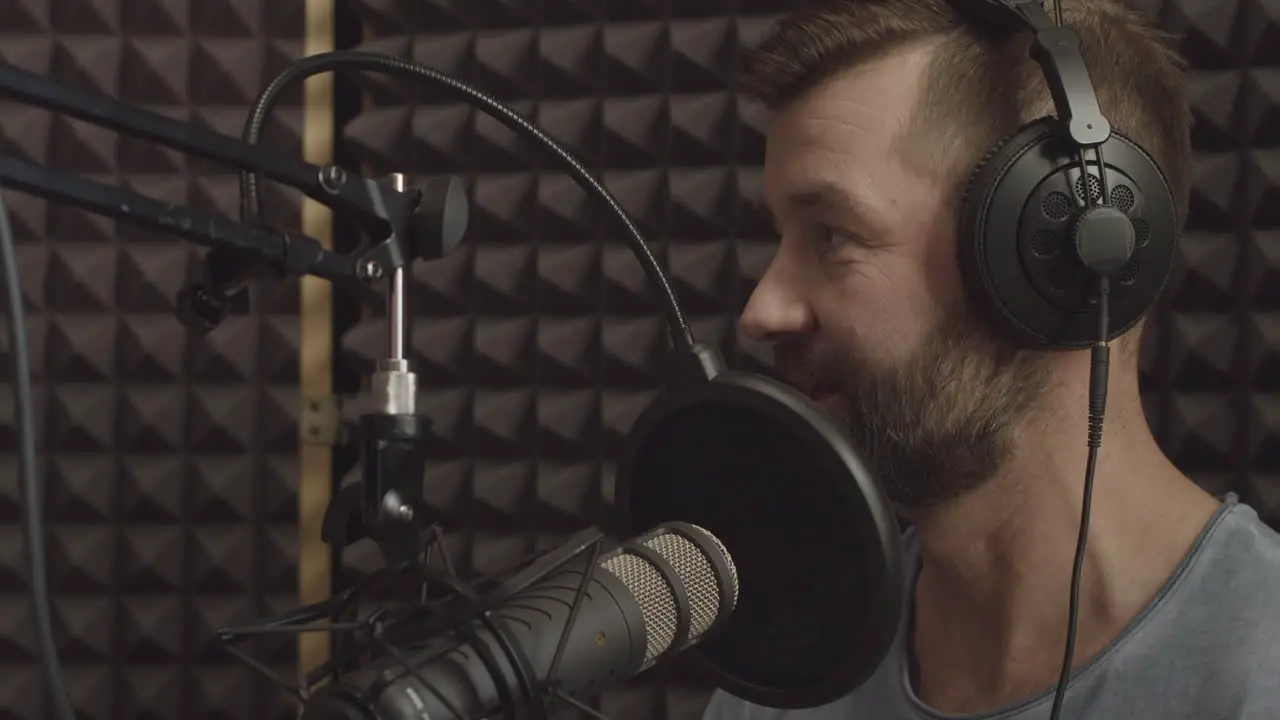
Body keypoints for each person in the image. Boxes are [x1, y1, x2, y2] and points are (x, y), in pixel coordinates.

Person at [703, 1, 1280, 718]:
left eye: (831, 236)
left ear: (1053, 257)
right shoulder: (791, 677)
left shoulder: (1261, 674)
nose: (763, 309)